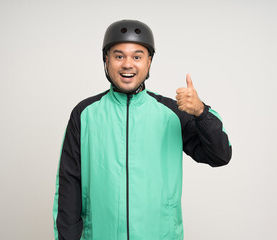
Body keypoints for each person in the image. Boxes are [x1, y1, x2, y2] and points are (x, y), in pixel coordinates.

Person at [53, 19, 232, 240]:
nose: (128, 64)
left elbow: (220, 155)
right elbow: (69, 184)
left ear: (149, 62)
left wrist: (201, 112)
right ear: (106, 60)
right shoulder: (85, 113)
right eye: (119, 56)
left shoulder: (173, 113)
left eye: (137, 56)